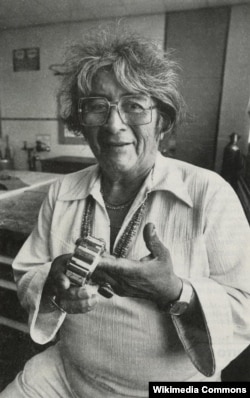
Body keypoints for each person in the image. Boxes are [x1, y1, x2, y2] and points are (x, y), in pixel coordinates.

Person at [1, 27, 250, 397]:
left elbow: (246, 307)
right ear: (80, 123)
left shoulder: (208, 193)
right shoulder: (61, 191)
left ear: (162, 120)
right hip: (67, 374)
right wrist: (51, 283)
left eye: (134, 105)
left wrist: (174, 291)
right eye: (97, 107)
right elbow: (28, 273)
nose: (114, 124)